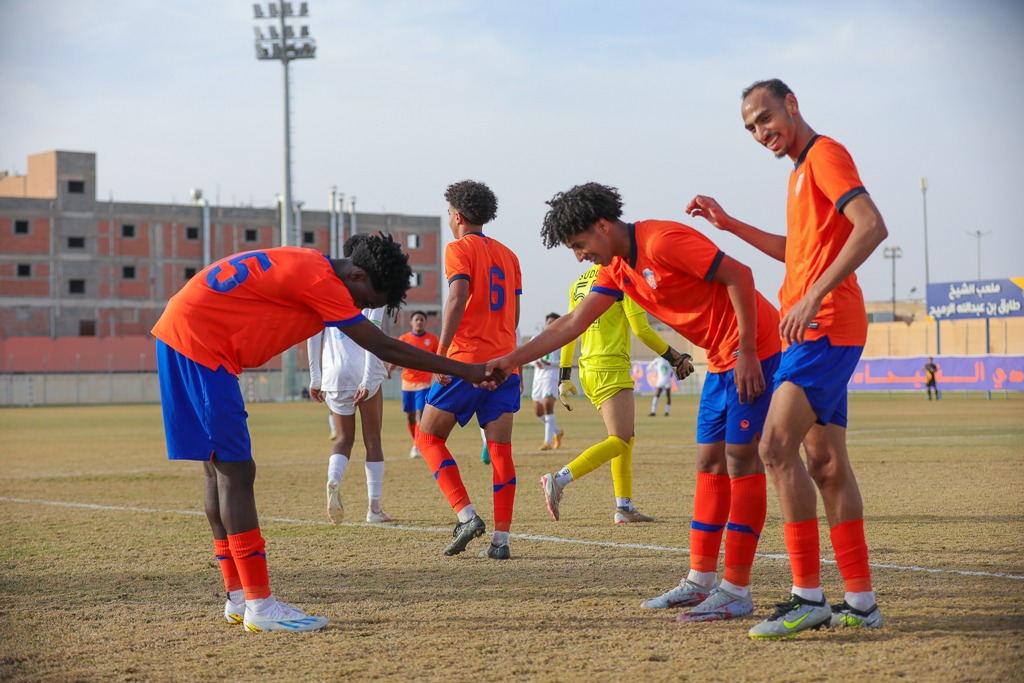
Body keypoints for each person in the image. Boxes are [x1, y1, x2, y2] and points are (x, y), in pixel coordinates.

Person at [151, 235, 502, 632]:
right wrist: (468, 370)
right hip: (201, 343)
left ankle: (237, 597)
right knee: (236, 471)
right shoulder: (325, 280)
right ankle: (259, 604)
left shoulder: (311, 264)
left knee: (218, 469)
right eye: (364, 301)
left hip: (183, 331)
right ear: (356, 275)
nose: (359, 310)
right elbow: (384, 348)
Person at [488, 182, 782, 623]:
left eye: (580, 244)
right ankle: (700, 580)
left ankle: (736, 589)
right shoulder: (616, 270)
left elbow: (740, 275)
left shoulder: (662, 240)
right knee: (709, 462)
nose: (580, 256)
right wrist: (512, 359)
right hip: (721, 360)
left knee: (740, 460)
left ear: (603, 226)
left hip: (753, 349)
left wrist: (748, 353)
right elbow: (571, 323)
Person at [685, 78, 889, 639]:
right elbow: (796, 250)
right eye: (750, 127)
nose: (760, 132)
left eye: (765, 117)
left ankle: (807, 597)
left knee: (772, 448)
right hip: (817, 331)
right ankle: (862, 602)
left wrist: (814, 295)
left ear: (791, 105)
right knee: (824, 464)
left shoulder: (825, 155)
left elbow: (872, 226)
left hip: (824, 329)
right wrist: (730, 226)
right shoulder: (801, 173)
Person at [415, 180, 522, 560]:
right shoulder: (510, 256)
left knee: (427, 438)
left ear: (457, 216)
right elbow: (516, 314)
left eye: (448, 213)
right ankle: (502, 539)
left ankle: (465, 514)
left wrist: (441, 355)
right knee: (500, 451)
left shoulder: (457, 249)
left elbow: (458, 296)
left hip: (465, 360)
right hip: (506, 362)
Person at [544, 265, 677, 524]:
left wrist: (564, 374)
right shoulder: (622, 277)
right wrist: (674, 356)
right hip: (611, 366)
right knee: (619, 440)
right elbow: (642, 330)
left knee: (627, 436)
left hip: (588, 369)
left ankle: (624, 507)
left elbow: (571, 328)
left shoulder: (579, 282)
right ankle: (559, 479)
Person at [386, 311, 439, 457]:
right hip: (407, 382)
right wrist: (390, 370)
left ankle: (417, 446)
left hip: (424, 383)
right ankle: (416, 440)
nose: (419, 322)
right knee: (410, 416)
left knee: (420, 415)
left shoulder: (432, 339)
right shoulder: (404, 339)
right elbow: (397, 358)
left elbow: (439, 357)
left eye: (422, 319)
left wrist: (441, 372)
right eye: (417, 319)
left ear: (425, 322)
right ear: (411, 322)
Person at [532, 313, 564, 451]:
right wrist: (536, 362)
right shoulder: (536, 338)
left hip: (552, 377)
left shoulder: (563, 341)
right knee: (538, 412)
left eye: (555, 322)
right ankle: (557, 432)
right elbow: (529, 356)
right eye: (549, 322)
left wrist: (549, 363)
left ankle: (547, 442)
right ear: (545, 324)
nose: (551, 325)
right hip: (538, 378)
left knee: (547, 406)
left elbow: (563, 361)